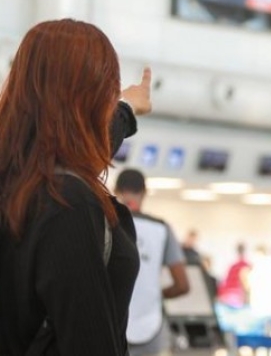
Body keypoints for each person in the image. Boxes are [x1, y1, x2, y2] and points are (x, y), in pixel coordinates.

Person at [0, 19, 152, 356]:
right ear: (92, 96)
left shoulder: (20, 180)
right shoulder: (68, 203)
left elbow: (70, 155)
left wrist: (126, 110)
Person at [115, 168, 189, 356]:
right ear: (144, 193)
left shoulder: (107, 223)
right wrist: (156, 294)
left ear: (115, 191)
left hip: (111, 323)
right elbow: (182, 285)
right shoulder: (161, 229)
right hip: (151, 328)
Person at [217, 242, 251, 308]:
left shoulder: (233, 266)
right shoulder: (246, 266)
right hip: (237, 297)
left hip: (230, 296)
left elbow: (225, 283)